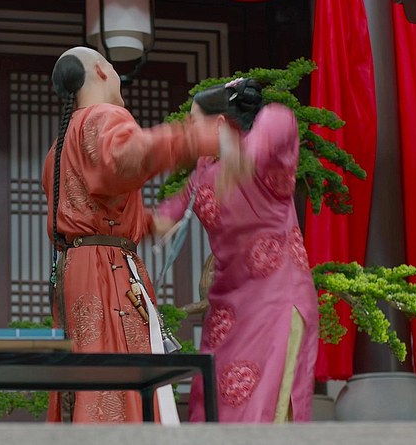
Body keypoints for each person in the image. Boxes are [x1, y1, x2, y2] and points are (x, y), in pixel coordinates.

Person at [42, 46, 243, 424]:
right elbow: (122, 159)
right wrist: (195, 138)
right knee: (117, 380)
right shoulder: (103, 116)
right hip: (105, 273)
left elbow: (93, 208)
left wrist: (147, 223)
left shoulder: (60, 145)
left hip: (76, 270)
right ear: (102, 71)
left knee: (85, 377)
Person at [153, 79, 318, 423]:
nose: (189, 129)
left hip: (273, 299)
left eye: (194, 122)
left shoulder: (267, 156)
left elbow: (280, 119)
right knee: (211, 404)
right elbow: (166, 216)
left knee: (260, 408)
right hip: (227, 310)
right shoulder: (204, 169)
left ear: (218, 124)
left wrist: (243, 152)